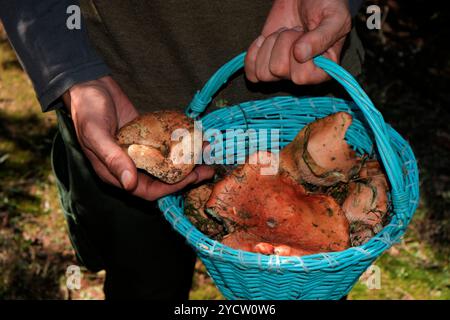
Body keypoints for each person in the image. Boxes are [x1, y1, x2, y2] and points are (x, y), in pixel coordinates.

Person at [0, 0, 364, 299]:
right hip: (125, 106)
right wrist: (70, 71)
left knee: (301, 288)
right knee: (143, 283)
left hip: (300, 109)